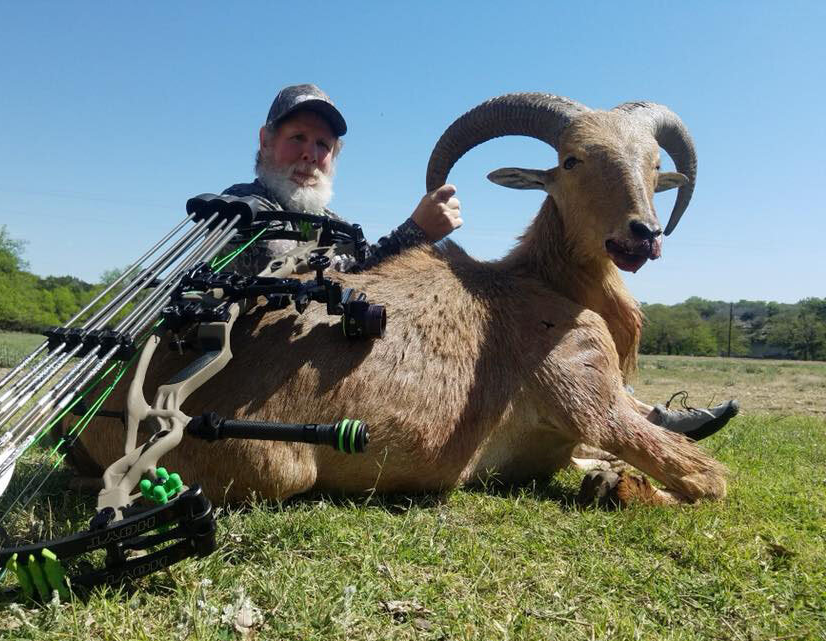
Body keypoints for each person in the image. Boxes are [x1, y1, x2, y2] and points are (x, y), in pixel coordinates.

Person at [222, 83, 738, 441]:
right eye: (297, 139)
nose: (311, 154)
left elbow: (357, 269)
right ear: (266, 139)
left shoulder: (330, 223)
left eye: (322, 144)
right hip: (257, 374)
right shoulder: (238, 213)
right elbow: (300, 285)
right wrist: (413, 233)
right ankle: (628, 418)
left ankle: (632, 411)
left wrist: (413, 233)